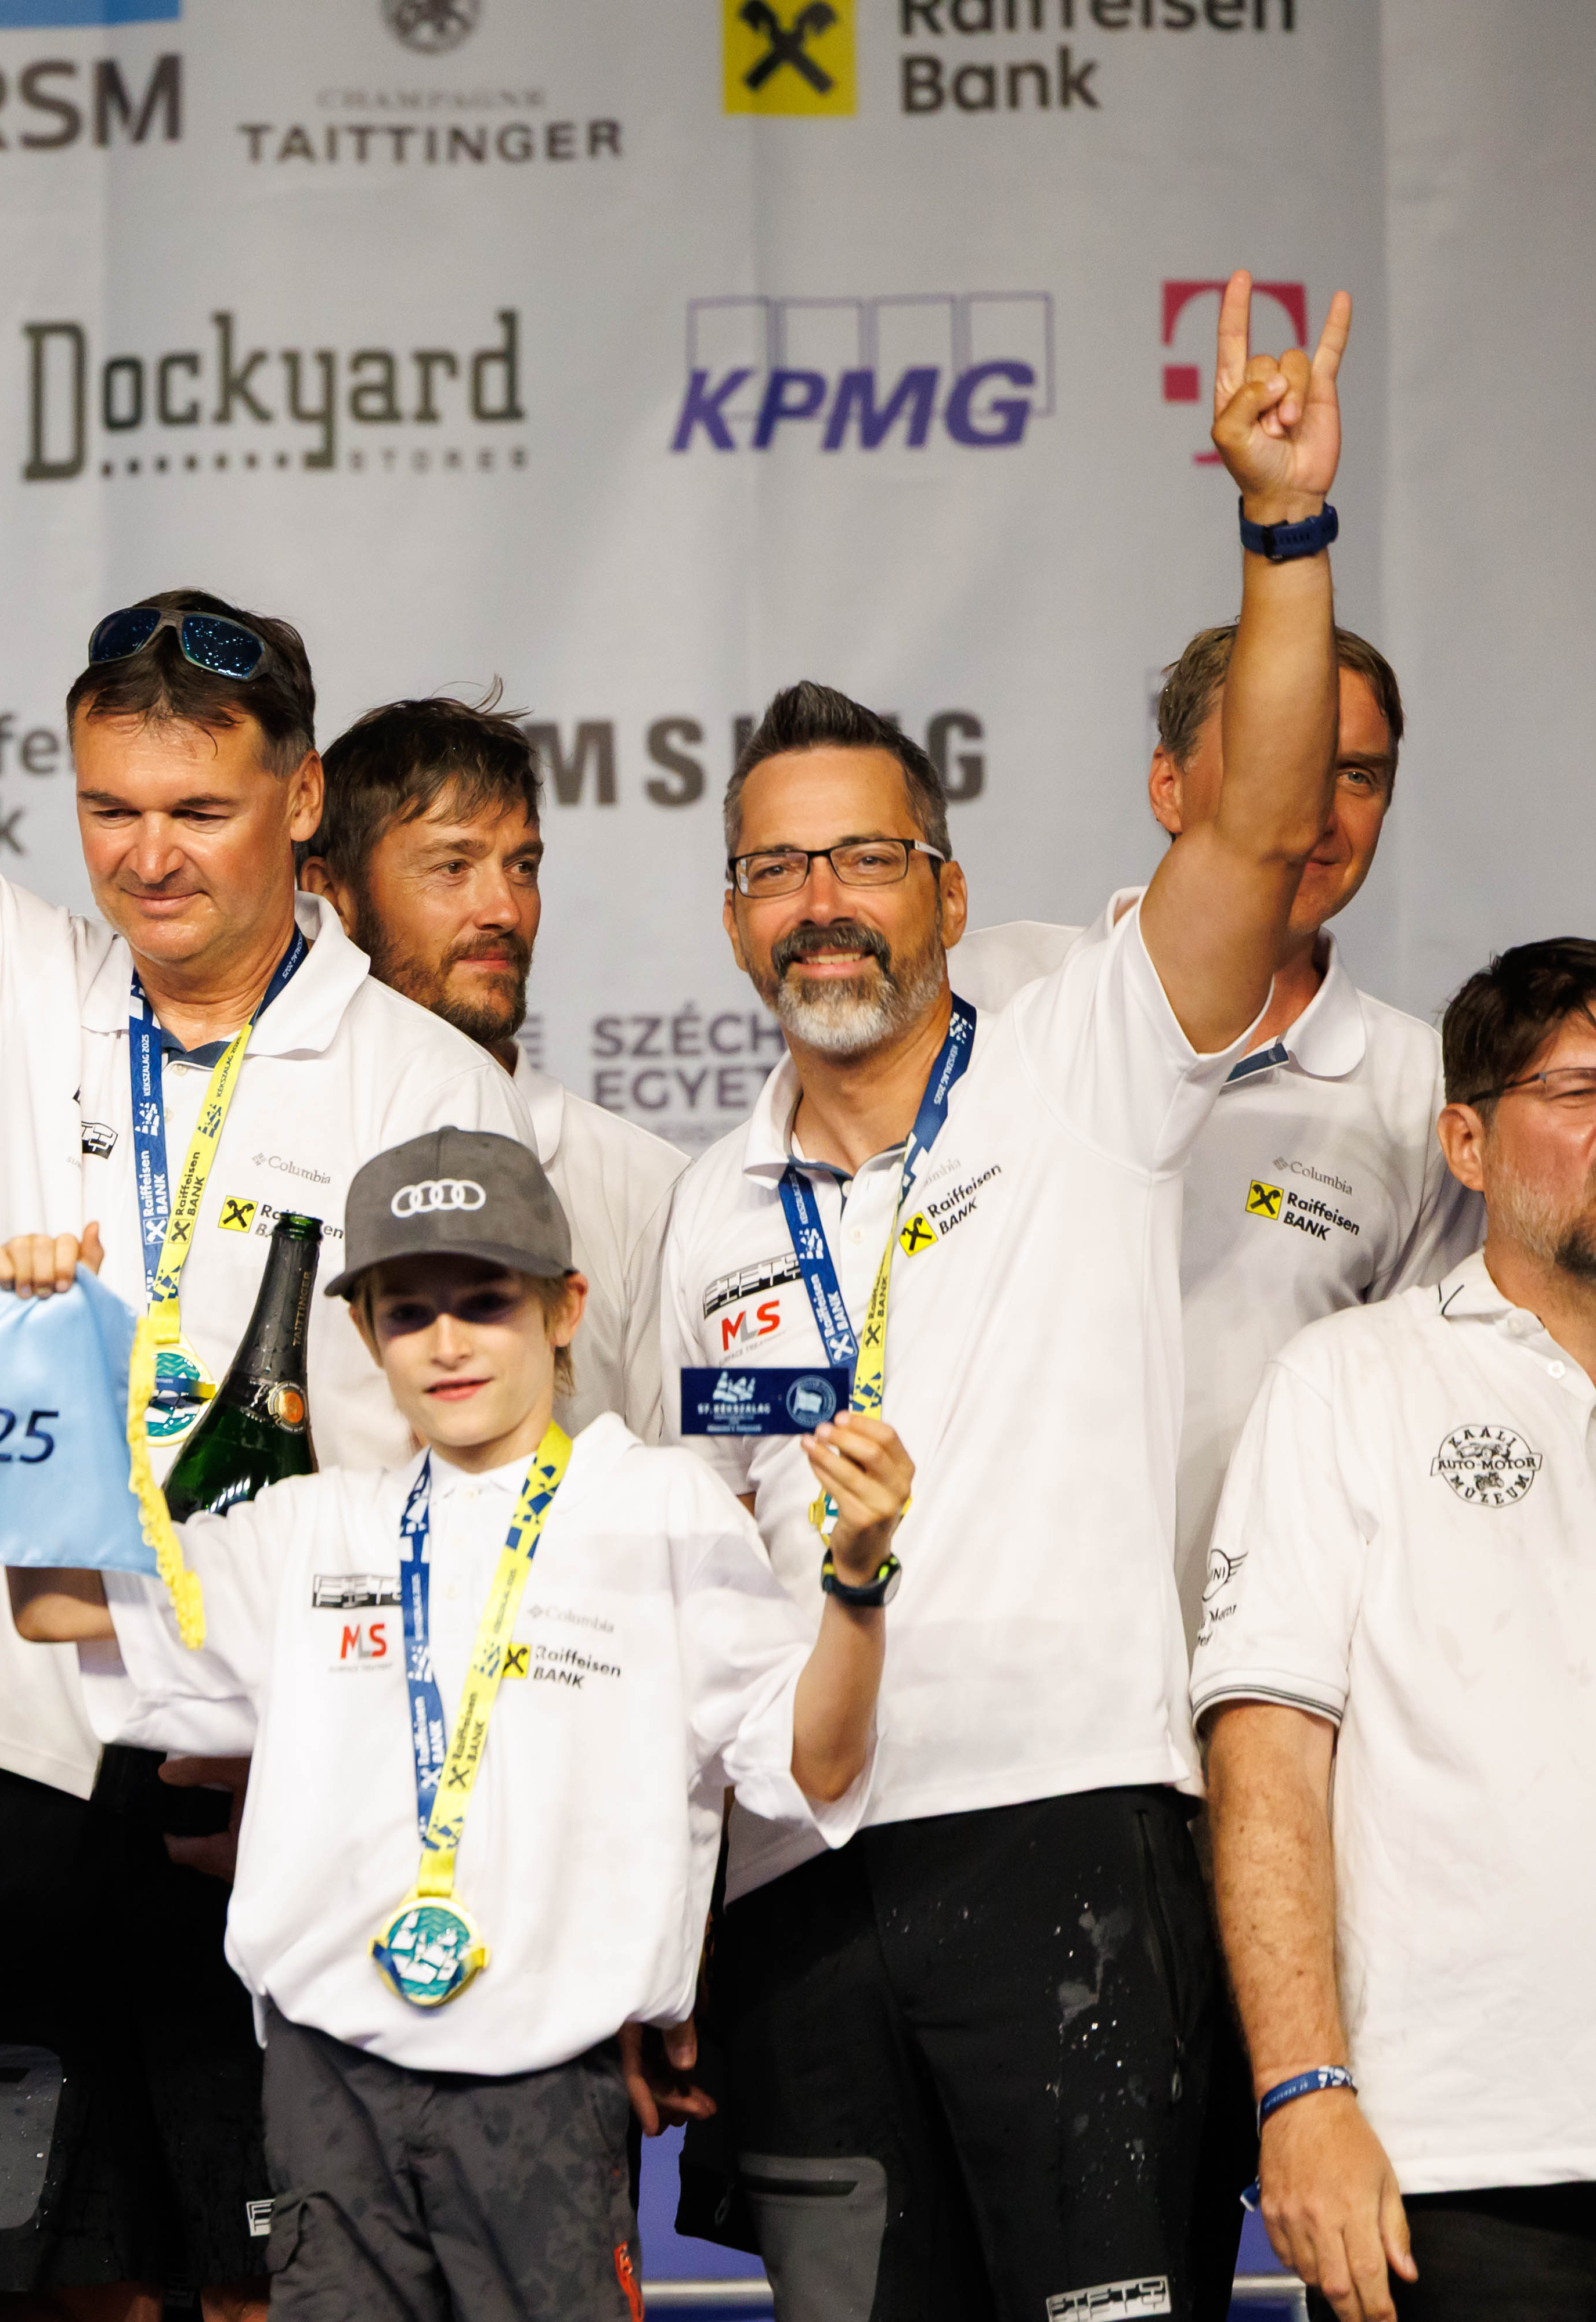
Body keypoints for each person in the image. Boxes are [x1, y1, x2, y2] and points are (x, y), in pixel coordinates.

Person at [0, 223, 532, 2322]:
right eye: (111, 807)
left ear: (300, 802)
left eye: (200, 810)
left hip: (280, 1768)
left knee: (267, 2291)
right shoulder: (24, 986)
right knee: (49, 2291)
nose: (147, 854)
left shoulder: (422, 1082)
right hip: (21, 1760)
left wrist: (364, 1743)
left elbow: (490, 1481)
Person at [657, 273, 1357, 2320]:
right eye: (777, 871)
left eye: (865, 859)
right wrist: (666, 1917)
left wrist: (1282, 529)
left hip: (1064, 1836)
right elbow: (695, 1585)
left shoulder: (1085, 1061)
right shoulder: (708, 1207)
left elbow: (1257, 821)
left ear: (948, 893)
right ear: (732, 920)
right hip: (794, 1884)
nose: (821, 905)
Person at [0, 1128, 900, 2320]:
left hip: (550, 2089)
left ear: (566, 1309)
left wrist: (856, 1581)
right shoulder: (307, 1527)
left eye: (486, 1302)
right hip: (327, 2083)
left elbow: (816, 1763)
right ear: (365, 1332)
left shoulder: (660, 1507)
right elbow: (57, 1604)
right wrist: (37, 1365)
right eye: (410, 1312)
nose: (449, 1342)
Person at [1195, 936, 1596, 2322]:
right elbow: (1266, 1763)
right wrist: (1302, 2088)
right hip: (1459, 2159)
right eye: (1581, 1093)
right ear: (1465, 1142)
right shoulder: (1350, 1381)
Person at [949, 623, 1474, 1634]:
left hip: (1269, 1679)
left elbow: (1425, 1429)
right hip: (993, 1676)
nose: (1313, 814)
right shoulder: (987, 997)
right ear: (1169, 787)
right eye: (1278, 760)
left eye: (1357, 775)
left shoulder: (1424, 1096)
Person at [301, 695, 688, 1438]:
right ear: (330, 893)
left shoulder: (648, 1189)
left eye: (523, 866)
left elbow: (677, 1484)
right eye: (453, 867)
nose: (504, 909)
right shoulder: (255, 1137)